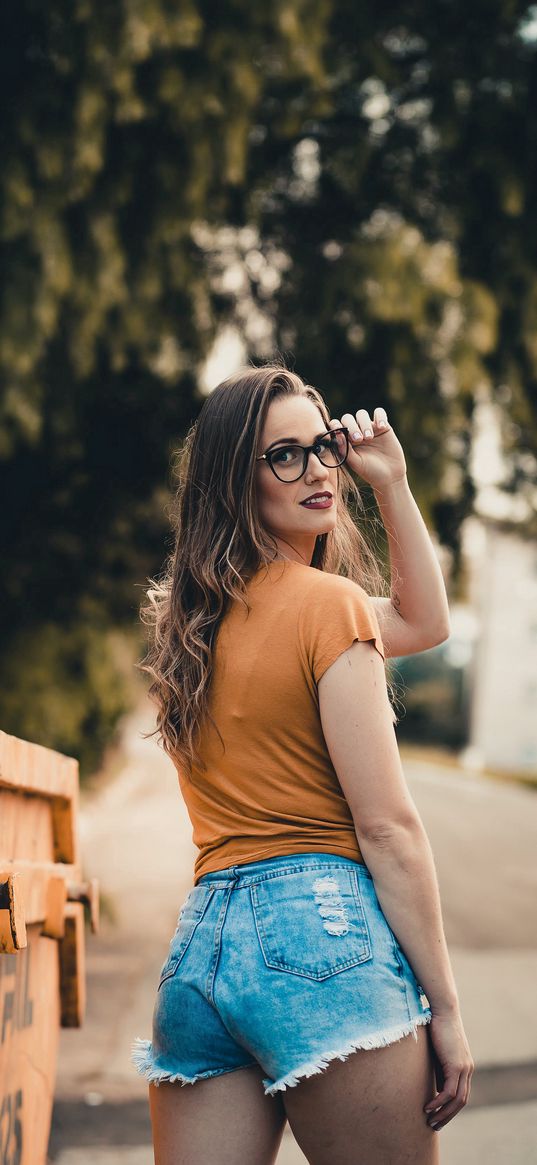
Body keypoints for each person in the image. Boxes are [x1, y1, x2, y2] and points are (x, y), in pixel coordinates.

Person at [132, 363, 473, 1165]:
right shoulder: (328, 605)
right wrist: (446, 1009)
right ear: (233, 481)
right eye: (281, 454)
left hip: (200, 958)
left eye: (320, 447)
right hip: (322, 942)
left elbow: (423, 621)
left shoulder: (188, 628)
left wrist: (385, 480)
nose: (316, 468)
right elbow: (386, 828)